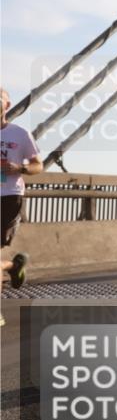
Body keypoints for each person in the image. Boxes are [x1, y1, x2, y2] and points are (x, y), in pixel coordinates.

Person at [1, 87, 41, 326]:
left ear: (7, 106)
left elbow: (38, 165)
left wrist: (20, 169)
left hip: (8, 196)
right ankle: (14, 266)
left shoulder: (19, 133)